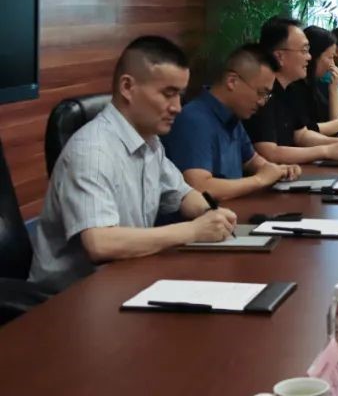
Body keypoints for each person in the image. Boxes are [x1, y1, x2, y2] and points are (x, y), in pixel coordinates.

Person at [29, 36, 237, 293]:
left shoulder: (149, 141)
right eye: (168, 94)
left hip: (125, 280)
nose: (177, 107)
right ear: (127, 87)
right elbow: (100, 244)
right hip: (68, 298)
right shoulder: (92, 152)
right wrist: (194, 231)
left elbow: (182, 194)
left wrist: (211, 213)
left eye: (180, 95)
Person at [163, 43, 302, 200]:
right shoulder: (194, 120)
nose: (262, 102)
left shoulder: (232, 115)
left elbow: (252, 160)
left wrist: (278, 170)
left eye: (267, 95)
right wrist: (260, 180)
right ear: (232, 81)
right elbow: (199, 187)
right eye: (261, 92)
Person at [244, 17, 338, 164]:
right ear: (280, 56)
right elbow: (269, 153)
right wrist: (326, 150)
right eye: (304, 50)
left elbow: (302, 135)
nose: (309, 57)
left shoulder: (290, 88)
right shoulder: (262, 93)